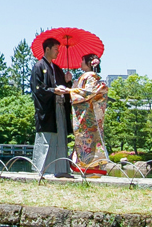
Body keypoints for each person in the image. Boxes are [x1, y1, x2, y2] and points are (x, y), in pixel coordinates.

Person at [30, 38, 71, 176]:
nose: (58, 52)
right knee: (47, 139)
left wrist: (67, 81)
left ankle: (61, 170)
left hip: (59, 107)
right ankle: (43, 170)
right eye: (56, 49)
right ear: (47, 49)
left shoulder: (57, 69)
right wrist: (54, 90)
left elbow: (65, 88)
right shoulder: (38, 66)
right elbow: (38, 89)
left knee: (61, 138)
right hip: (47, 109)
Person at [68, 53, 111, 173]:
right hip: (87, 114)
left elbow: (88, 92)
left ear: (88, 63)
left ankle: (89, 165)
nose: (80, 63)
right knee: (86, 139)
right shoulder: (88, 76)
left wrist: (71, 90)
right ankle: (88, 164)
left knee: (87, 139)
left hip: (87, 115)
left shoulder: (90, 76)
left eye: (82, 61)